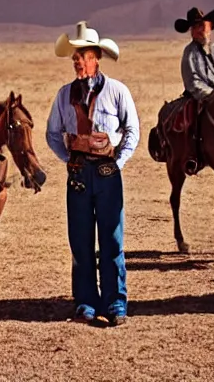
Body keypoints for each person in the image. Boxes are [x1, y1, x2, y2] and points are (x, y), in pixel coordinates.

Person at [45, 23, 139, 326]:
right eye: (74, 56)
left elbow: (132, 131)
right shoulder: (64, 95)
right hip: (78, 174)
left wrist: (119, 162)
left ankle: (115, 303)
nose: (77, 61)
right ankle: (85, 302)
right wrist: (68, 159)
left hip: (108, 172)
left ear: (96, 57)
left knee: (112, 239)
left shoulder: (117, 91)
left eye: (82, 56)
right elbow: (52, 133)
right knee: (80, 240)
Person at [171, 6, 214, 175]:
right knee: (193, 116)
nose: (200, 30)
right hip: (202, 97)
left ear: (210, 27)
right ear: (191, 32)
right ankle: (193, 155)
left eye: (202, 26)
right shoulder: (189, 52)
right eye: (195, 27)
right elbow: (192, 82)